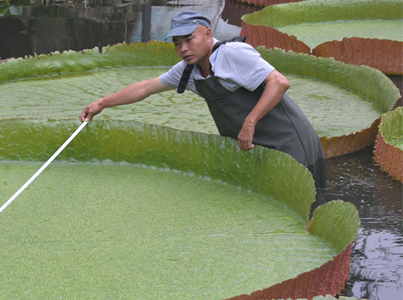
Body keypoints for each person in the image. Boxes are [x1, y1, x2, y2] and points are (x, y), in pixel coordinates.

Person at [80, 10, 326, 188]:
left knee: (304, 208)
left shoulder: (231, 53)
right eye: (177, 44)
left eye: (189, 40)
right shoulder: (188, 70)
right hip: (255, 147)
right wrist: (101, 103)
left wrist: (249, 123)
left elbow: (279, 82)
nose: (183, 49)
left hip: (290, 141)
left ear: (208, 34)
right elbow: (145, 88)